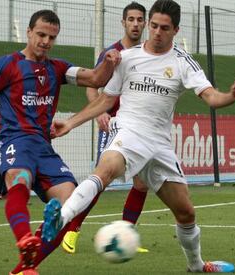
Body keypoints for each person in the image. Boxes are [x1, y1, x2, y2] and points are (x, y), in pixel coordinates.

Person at [43, 0, 235, 272]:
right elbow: (106, 100)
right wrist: (71, 123)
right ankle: (62, 218)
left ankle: (197, 265)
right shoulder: (127, 58)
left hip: (159, 144)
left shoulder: (182, 62)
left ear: (176, 30)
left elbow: (211, 97)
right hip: (128, 131)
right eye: (153, 25)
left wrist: (231, 97)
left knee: (186, 212)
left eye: (164, 28)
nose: (156, 32)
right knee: (105, 170)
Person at [0, 10, 120, 275]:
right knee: (20, 179)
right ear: (28, 32)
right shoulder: (7, 64)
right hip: (13, 140)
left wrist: (110, 62)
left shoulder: (57, 69)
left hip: (43, 147)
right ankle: (25, 239)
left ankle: (24, 267)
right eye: (41, 35)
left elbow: (95, 78)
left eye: (51, 37)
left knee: (70, 202)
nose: (46, 41)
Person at [61, 1, 149, 255]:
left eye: (139, 19)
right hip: (112, 125)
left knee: (141, 184)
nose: (135, 24)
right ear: (123, 22)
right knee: (101, 179)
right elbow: (92, 87)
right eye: (130, 19)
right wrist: (101, 113)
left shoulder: (147, 53)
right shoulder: (111, 53)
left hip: (138, 128)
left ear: (144, 23)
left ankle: (125, 236)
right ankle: (72, 230)